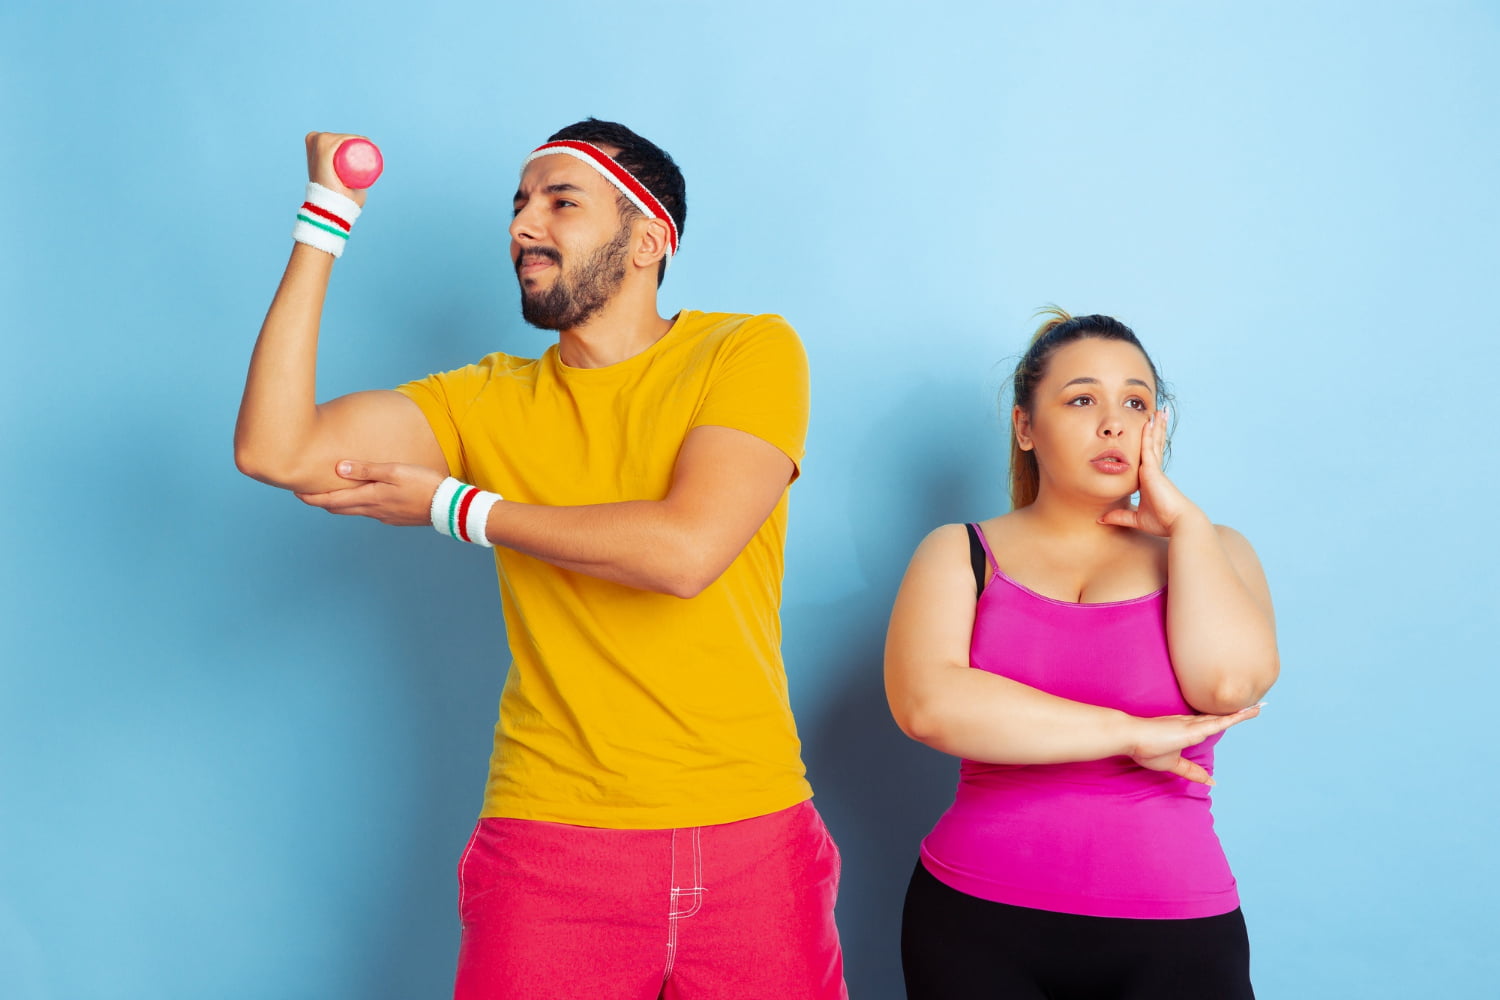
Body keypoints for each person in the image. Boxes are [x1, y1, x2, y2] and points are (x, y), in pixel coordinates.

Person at [235, 119, 846, 1000]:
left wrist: (459, 508)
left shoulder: (745, 352)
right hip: (550, 847)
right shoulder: (483, 399)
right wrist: (327, 213)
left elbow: (686, 549)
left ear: (648, 239)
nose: (525, 225)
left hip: (751, 840)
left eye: (562, 201)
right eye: (520, 204)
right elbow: (274, 448)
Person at [884, 309, 1278, 999]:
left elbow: (1227, 685)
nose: (1113, 423)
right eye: (1081, 400)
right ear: (1025, 427)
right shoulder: (960, 552)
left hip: (1176, 928)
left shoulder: (1215, 550)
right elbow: (930, 706)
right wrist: (1129, 734)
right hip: (974, 919)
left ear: (1157, 426)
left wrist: (1184, 526)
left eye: (1135, 402)